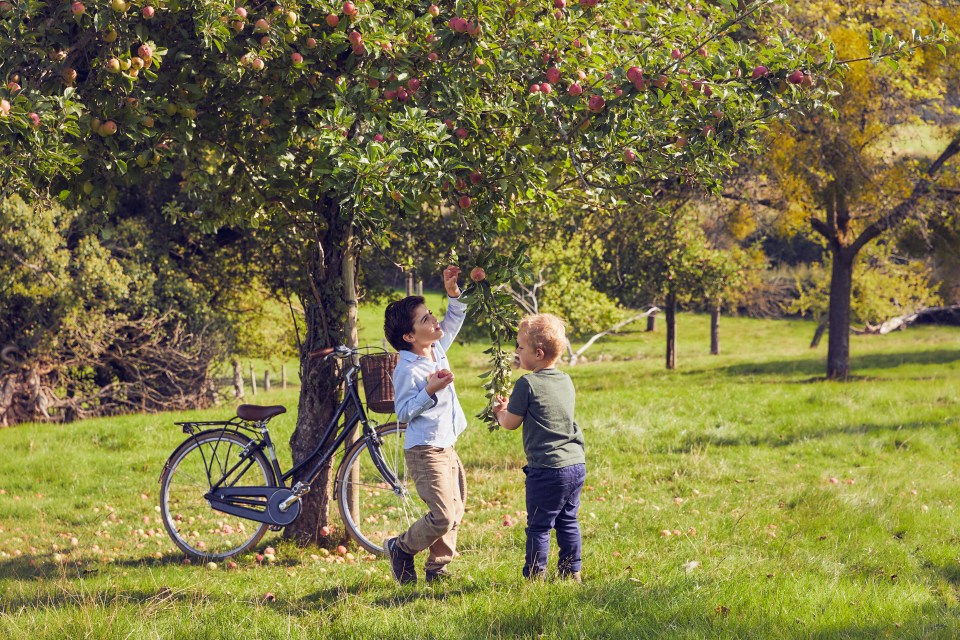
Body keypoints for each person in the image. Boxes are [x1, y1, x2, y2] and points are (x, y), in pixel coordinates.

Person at [382, 265, 468, 585]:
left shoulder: (436, 348)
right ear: (409, 337)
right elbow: (403, 412)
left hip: (445, 443)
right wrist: (429, 390)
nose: (434, 320)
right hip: (423, 449)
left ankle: (437, 568)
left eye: (431, 314)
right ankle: (401, 548)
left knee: (455, 512)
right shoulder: (407, 369)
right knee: (443, 515)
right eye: (425, 319)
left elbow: (455, 319)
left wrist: (451, 291)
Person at [493, 314, 586, 581]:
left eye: (521, 347)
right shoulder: (565, 380)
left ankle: (535, 576)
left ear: (538, 353)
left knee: (539, 526)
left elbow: (510, 423)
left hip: (547, 469)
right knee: (568, 520)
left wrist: (500, 411)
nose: (517, 351)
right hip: (575, 464)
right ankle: (571, 571)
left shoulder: (527, 383)